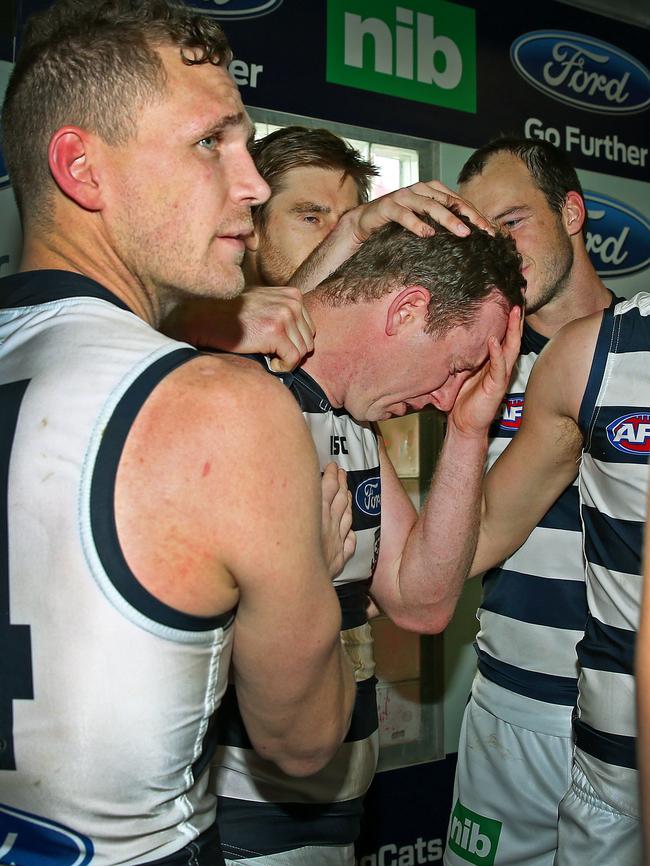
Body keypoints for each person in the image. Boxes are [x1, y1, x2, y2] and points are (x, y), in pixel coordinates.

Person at [0, 1, 360, 862]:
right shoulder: (222, 410)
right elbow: (303, 742)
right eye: (211, 143)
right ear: (81, 167)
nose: (254, 183)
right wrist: (307, 567)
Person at [211, 215, 525, 866]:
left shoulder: (347, 416)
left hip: (333, 813)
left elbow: (422, 601)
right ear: (408, 309)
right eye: (455, 368)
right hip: (243, 822)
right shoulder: (240, 392)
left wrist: (470, 433)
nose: (445, 397)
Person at [440, 138, 615, 866]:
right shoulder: (470, 365)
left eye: (513, 222)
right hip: (509, 709)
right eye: (482, 234)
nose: (499, 251)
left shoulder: (638, 346)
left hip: (624, 717)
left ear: (571, 212)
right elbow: (462, 538)